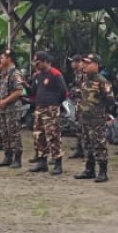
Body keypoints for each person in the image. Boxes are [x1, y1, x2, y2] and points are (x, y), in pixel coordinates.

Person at [73, 54, 113, 182]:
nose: (84, 65)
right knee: (87, 144)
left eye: (88, 63)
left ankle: (102, 171)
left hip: (97, 118)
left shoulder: (102, 81)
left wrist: (101, 110)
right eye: (84, 63)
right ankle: (89, 169)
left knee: (99, 143)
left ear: (96, 65)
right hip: (84, 117)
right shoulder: (84, 80)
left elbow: (110, 100)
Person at [28, 51, 67, 175]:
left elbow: (64, 93)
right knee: (39, 135)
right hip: (39, 108)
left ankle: (57, 163)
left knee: (53, 136)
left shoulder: (55, 74)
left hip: (51, 109)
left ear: (45, 61)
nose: (36, 65)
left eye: (38, 62)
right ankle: (41, 161)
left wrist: (55, 104)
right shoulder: (37, 75)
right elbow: (33, 91)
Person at [0, 50, 26, 169]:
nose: (0, 60)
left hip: (12, 108)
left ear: (9, 59)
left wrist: (5, 101)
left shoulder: (15, 73)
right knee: (4, 133)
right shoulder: (4, 74)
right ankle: (7, 156)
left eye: (2, 57)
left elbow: (19, 91)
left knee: (14, 134)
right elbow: (1, 90)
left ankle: (17, 159)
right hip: (3, 108)